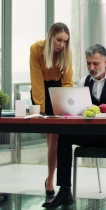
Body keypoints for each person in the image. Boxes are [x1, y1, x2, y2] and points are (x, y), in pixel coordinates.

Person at [42, 44, 106, 210]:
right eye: (88, 63)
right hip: (93, 132)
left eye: (95, 64)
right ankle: (65, 191)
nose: (92, 67)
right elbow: (78, 108)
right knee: (64, 135)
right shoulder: (84, 81)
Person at [30, 22, 73, 197]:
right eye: (58, 40)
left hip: (58, 91)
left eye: (64, 41)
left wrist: (65, 105)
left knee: (54, 136)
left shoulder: (66, 52)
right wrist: (40, 110)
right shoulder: (35, 49)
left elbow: (68, 82)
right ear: (50, 36)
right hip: (41, 91)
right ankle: (50, 178)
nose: (61, 44)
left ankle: (50, 179)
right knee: (50, 137)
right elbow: (37, 81)